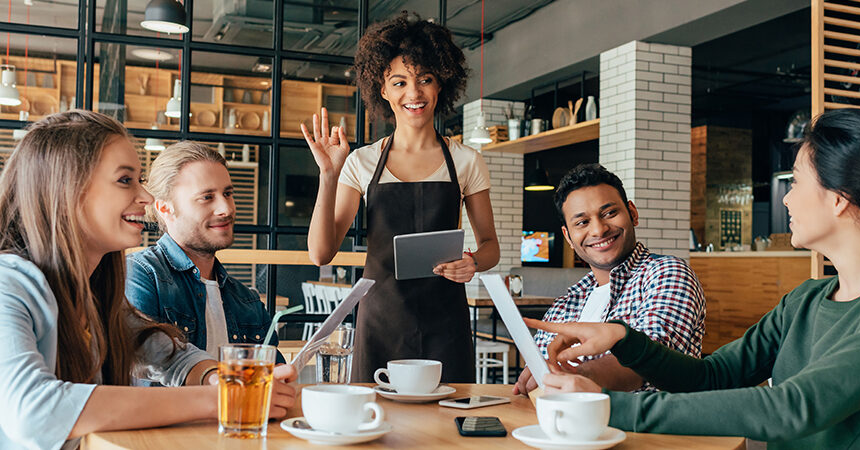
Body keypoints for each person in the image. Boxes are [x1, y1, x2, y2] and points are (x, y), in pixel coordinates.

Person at [526, 108, 860, 449]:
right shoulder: (804, 301)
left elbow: (792, 408)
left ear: (839, 198)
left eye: (797, 182)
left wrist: (603, 407)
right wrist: (625, 339)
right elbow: (711, 375)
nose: (785, 199)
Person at [0, 111, 296, 449]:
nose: (145, 197)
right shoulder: (8, 283)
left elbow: (168, 354)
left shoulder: (95, 290)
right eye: (126, 180)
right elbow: (32, 410)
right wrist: (226, 400)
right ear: (67, 189)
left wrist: (223, 379)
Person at [302, 13, 500, 383]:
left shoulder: (466, 161)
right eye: (400, 82)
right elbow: (320, 253)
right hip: (381, 320)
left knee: (447, 427)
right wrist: (328, 175)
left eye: (425, 79)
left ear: (441, 84)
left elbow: (491, 246)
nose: (414, 93)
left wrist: (472, 261)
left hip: (447, 321)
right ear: (383, 89)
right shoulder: (361, 162)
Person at [513, 164, 706, 395]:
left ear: (632, 213)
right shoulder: (567, 303)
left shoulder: (667, 274)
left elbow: (652, 362)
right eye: (582, 222)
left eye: (609, 213)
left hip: (644, 429)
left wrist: (575, 377)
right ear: (568, 237)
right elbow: (540, 376)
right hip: (563, 425)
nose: (598, 230)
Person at [127, 141, 284, 363]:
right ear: (164, 208)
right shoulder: (141, 274)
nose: (226, 209)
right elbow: (143, 365)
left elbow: (271, 381)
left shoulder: (247, 301)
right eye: (207, 197)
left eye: (228, 193)